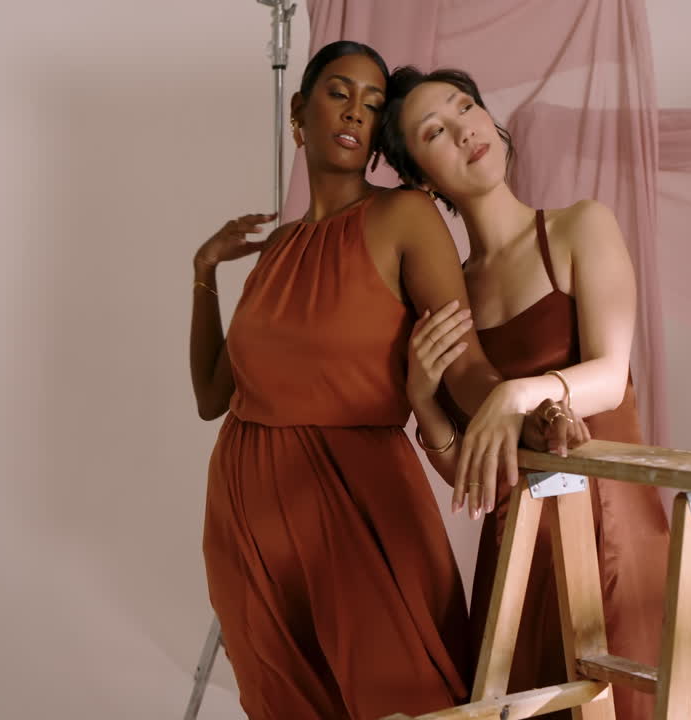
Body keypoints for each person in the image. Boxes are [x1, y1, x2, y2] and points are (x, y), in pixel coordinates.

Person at [189, 42, 577, 719]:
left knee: (413, 697)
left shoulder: (403, 217)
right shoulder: (277, 250)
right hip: (244, 514)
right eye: (339, 93)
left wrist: (528, 409)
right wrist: (204, 273)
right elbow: (212, 398)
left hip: (360, 505)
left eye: (373, 105)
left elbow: (461, 361)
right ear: (299, 109)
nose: (355, 113)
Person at [378, 66, 675, 720]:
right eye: (436, 131)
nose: (465, 131)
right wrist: (424, 402)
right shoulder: (450, 295)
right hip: (517, 551)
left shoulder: (578, 227)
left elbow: (607, 372)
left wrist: (513, 395)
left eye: (466, 108)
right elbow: (475, 475)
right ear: (422, 180)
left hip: (613, 525)